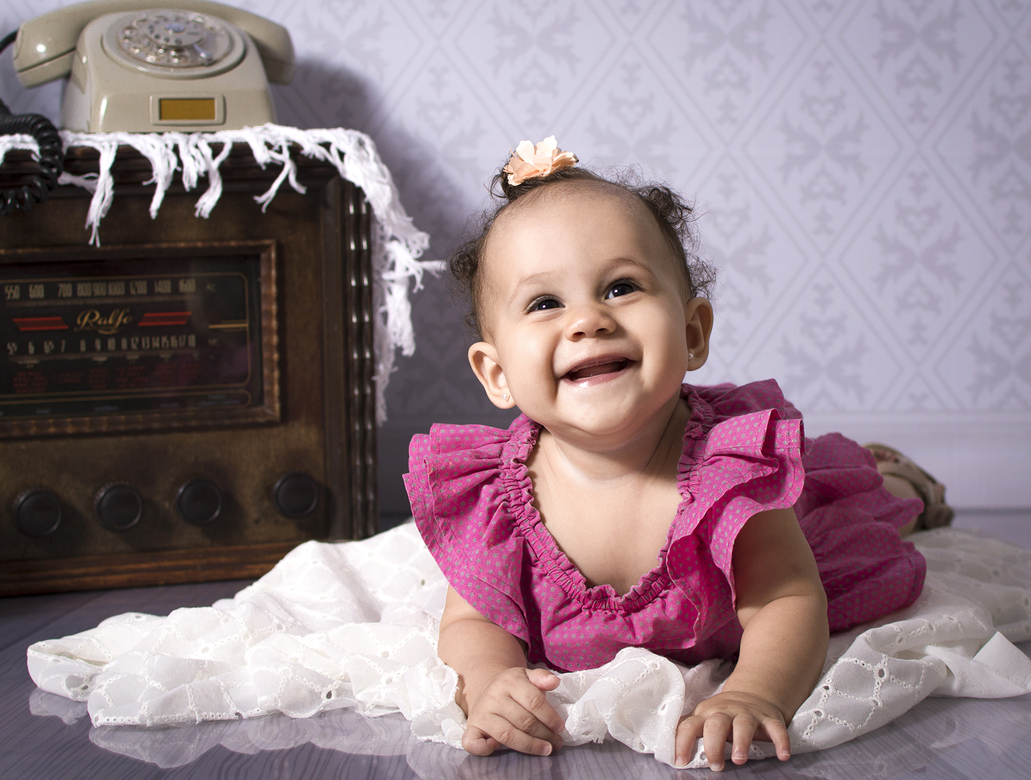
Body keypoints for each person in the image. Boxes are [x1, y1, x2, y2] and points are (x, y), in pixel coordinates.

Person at [403, 137, 953, 771]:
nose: (586, 320)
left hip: (797, 532)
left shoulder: (732, 473)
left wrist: (753, 690)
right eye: (545, 303)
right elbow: (473, 624)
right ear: (496, 373)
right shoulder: (492, 499)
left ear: (692, 334)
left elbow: (785, 599)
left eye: (620, 287)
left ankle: (897, 473)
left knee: (866, 517)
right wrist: (489, 680)